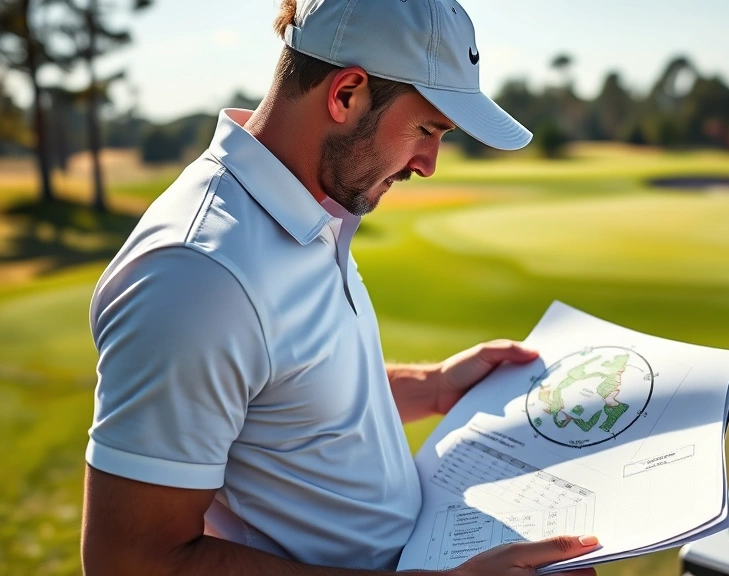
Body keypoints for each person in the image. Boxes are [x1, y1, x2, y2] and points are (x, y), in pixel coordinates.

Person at [80, 1, 600, 574]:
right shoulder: (197, 275)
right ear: (346, 93)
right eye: (427, 128)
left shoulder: (311, 208)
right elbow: (131, 559)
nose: (428, 164)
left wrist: (432, 386)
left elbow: (287, 400)